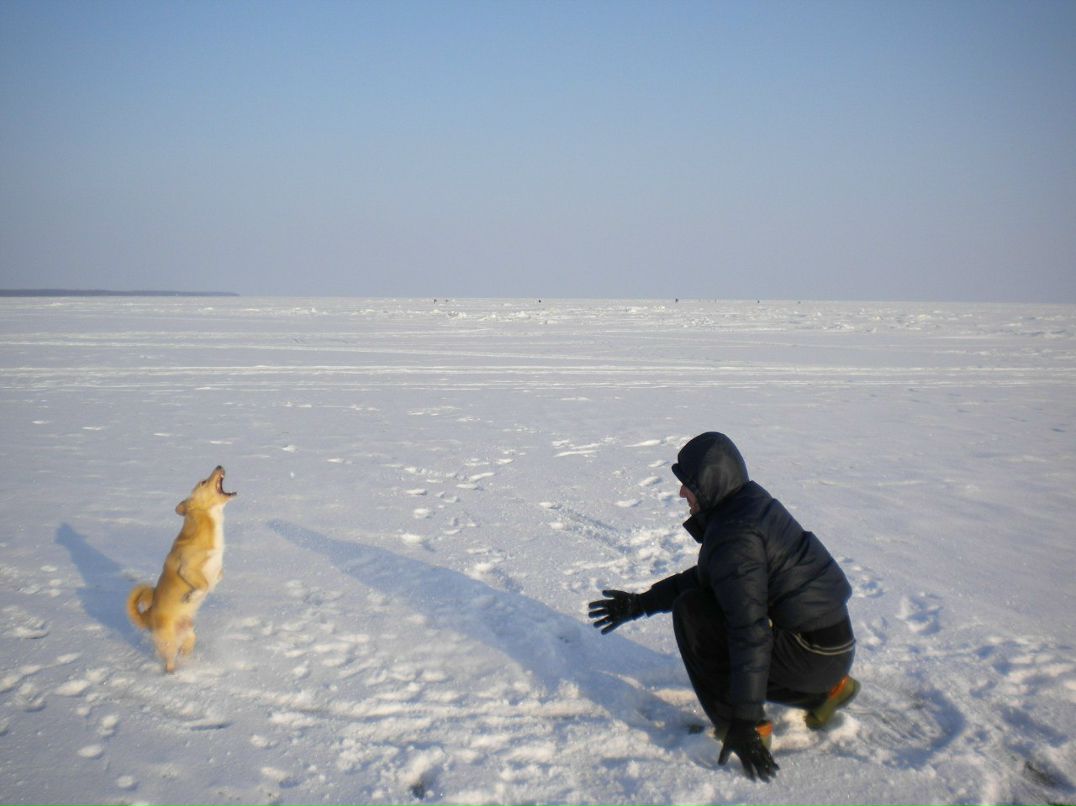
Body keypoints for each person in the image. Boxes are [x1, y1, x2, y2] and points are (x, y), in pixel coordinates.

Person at [589, 432, 859, 782]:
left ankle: (739, 726)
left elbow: (750, 632)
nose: (682, 493)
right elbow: (709, 578)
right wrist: (639, 604)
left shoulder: (735, 535)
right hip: (831, 648)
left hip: (811, 654)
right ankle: (825, 694)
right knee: (709, 604)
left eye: (688, 483)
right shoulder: (748, 506)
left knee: (693, 615)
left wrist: (745, 720)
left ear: (710, 481)